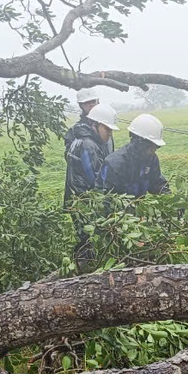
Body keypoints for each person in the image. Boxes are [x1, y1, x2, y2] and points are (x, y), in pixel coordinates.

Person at [64, 103, 119, 267]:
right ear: (94, 124)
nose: (109, 134)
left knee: (88, 238)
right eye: (107, 129)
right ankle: (82, 272)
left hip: (83, 200)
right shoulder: (88, 145)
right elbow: (96, 180)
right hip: (83, 201)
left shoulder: (92, 140)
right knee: (87, 239)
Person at [100, 113, 169, 198]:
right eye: (150, 146)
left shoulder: (151, 159)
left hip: (138, 207)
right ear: (139, 142)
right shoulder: (114, 164)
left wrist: (169, 198)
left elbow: (156, 183)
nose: (153, 150)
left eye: (156, 146)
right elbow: (107, 197)